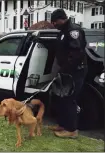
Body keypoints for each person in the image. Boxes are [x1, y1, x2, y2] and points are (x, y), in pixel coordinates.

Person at [49, 9, 88, 138]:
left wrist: (65, 68)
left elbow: (76, 54)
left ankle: (71, 130)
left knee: (69, 99)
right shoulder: (63, 31)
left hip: (74, 72)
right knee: (61, 97)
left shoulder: (73, 31)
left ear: (62, 18)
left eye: (55, 22)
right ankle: (62, 125)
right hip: (65, 72)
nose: (54, 24)